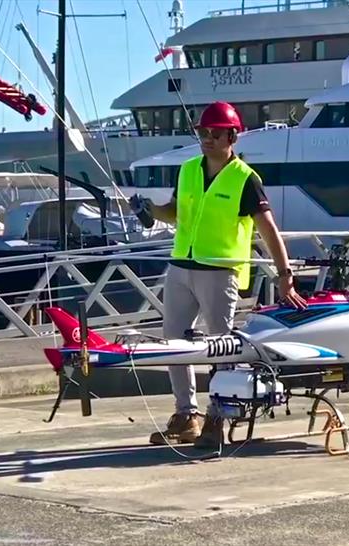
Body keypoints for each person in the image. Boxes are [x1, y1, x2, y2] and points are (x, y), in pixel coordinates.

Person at [130, 101, 307, 449]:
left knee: (221, 348)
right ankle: (186, 416)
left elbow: (268, 229)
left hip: (219, 271)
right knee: (172, 346)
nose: (207, 139)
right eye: (203, 133)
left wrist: (284, 274)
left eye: (215, 133)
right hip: (181, 266)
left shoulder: (245, 179)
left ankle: (217, 417)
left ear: (232, 136)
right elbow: (177, 213)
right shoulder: (188, 170)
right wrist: (149, 209)